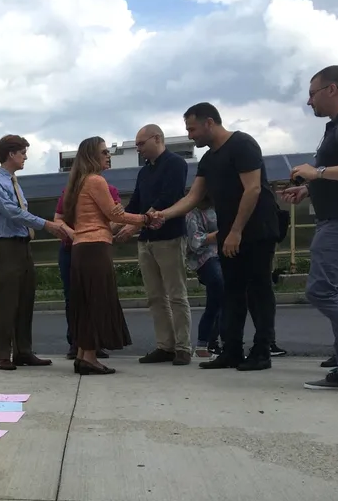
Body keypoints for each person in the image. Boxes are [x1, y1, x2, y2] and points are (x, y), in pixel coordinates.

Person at [151, 102, 280, 372]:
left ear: (209, 122)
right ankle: (231, 351)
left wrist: (236, 231)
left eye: (192, 129)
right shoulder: (209, 159)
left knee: (258, 290)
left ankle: (262, 351)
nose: (190, 136)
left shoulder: (242, 144)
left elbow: (253, 189)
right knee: (231, 291)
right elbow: (193, 197)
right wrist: (163, 214)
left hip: (256, 230)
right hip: (229, 234)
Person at [279, 65, 338, 390]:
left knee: (321, 291)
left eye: (312, 93)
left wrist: (317, 172)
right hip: (337, 217)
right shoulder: (337, 126)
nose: (309, 102)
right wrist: (309, 187)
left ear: (332, 89)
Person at [62, 136, 152, 374]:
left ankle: (83, 355)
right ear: (92, 156)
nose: (108, 155)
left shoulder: (79, 182)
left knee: (84, 302)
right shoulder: (96, 180)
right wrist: (145, 219)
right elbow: (115, 215)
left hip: (81, 247)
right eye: (103, 152)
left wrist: (118, 214)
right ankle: (90, 357)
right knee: (97, 301)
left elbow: (102, 215)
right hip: (95, 247)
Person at [0, 134, 72, 371]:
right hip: (7, 246)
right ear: (11, 154)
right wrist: (46, 225)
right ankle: (3, 354)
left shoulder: (15, 182)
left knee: (25, 299)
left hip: (24, 245)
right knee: (7, 302)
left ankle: (23, 351)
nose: (25, 158)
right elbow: (12, 212)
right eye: (22, 153)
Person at [118, 124, 192, 365]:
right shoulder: (144, 172)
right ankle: (165, 345)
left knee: (176, 294)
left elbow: (169, 197)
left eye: (141, 144)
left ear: (157, 138)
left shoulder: (175, 164)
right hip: (147, 240)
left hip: (170, 237)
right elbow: (135, 203)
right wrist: (117, 223)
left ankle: (183, 346)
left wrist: (135, 225)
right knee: (155, 296)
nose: (138, 149)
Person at [54, 187, 114, 361]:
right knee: (73, 297)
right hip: (70, 248)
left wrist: (101, 232)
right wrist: (71, 232)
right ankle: (76, 342)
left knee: (97, 296)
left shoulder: (108, 190)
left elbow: (116, 216)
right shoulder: (69, 192)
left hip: (95, 248)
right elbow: (58, 218)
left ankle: (94, 343)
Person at [185, 200, 223, 358]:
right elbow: (195, 241)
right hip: (205, 258)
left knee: (221, 300)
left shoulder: (219, 207)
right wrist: (218, 236)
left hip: (225, 253)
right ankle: (206, 342)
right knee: (218, 288)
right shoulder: (192, 214)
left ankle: (209, 342)